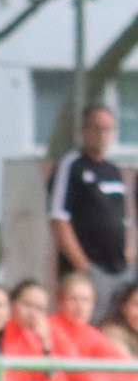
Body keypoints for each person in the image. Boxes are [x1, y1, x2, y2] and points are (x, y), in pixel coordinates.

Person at [48, 104, 133, 318]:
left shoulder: (113, 170)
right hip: (91, 270)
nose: (102, 135)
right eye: (96, 128)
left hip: (119, 270)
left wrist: (129, 255)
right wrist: (83, 265)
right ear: (83, 131)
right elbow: (59, 218)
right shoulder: (71, 166)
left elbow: (126, 218)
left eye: (107, 129)